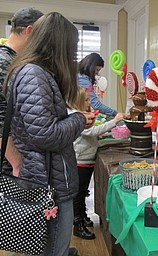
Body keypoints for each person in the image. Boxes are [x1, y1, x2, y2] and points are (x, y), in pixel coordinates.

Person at [3, 12, 95, 256]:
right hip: (48, 182)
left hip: (47, 177)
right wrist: (78, 119)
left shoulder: (33, 72)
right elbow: (45, 135)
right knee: (54, 248)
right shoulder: (34, 74)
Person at [68, 87, 123, 240]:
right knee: (79, 194)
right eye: (86, 100)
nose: (89, 102)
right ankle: (77, 225)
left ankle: (82, 215)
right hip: (81, 161)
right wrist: (115, 121)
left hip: (87, 159)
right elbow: (91, 132)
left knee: (83, 191)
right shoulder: (76, 118)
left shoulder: (82, 115)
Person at [0, 7, 43, 177]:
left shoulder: (14, 61)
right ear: (29, 31)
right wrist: (16, 162)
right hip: (8, 165)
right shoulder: (5, 64)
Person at [78, 52, 118, 117]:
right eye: (97, 70)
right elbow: (96, 104)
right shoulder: (83, 80)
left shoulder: (81, 76)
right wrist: (116, 113)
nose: (97, 73)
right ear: (91, 66)